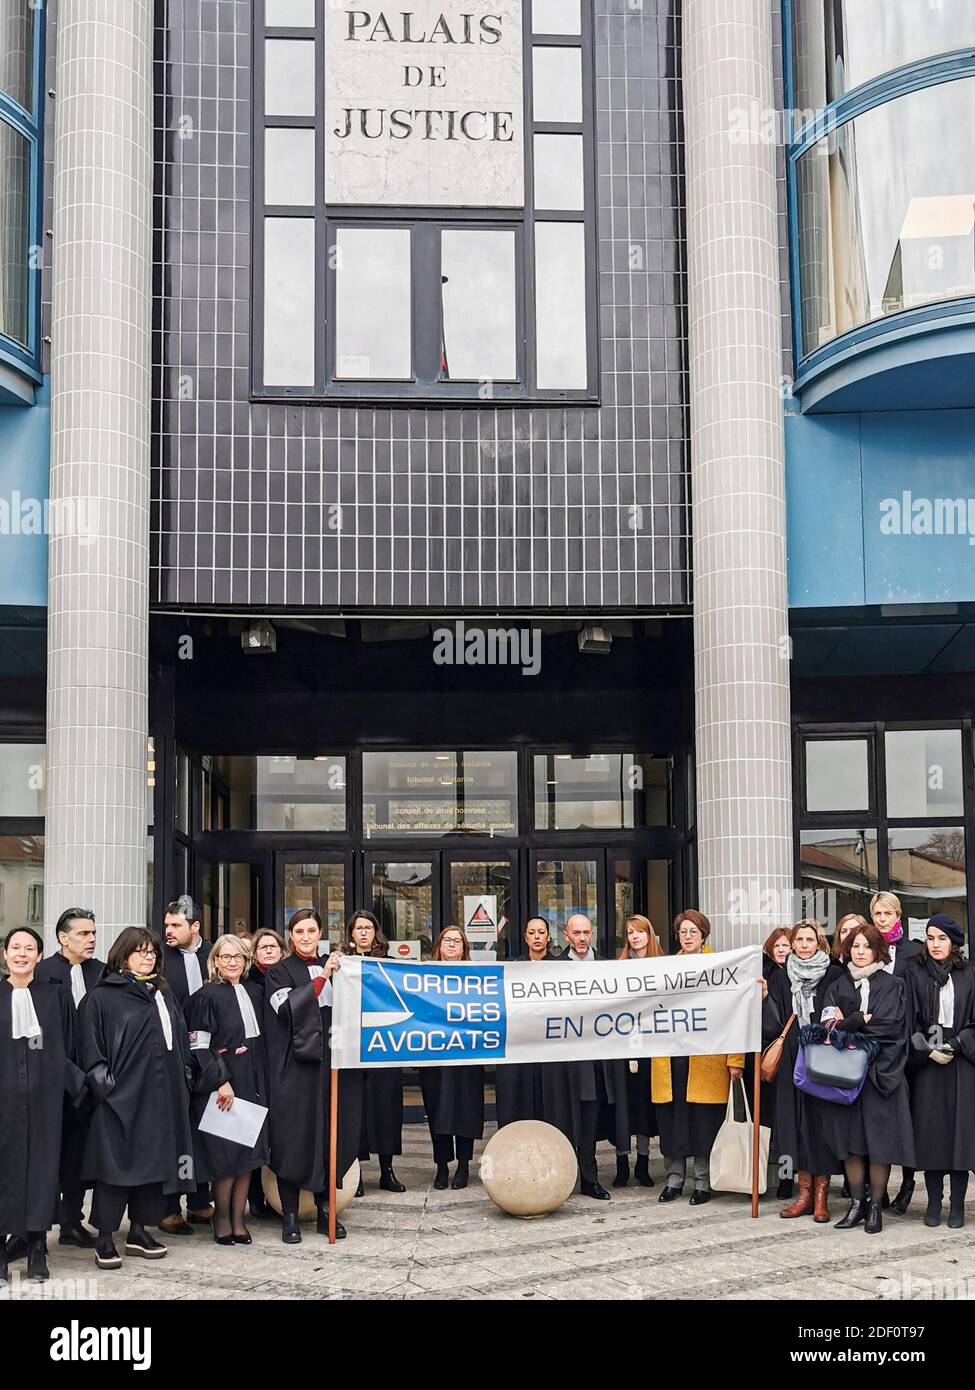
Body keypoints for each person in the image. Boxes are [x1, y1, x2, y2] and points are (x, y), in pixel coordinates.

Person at [78, 927, 196, 1270]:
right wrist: (107, 1088)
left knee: (153, 1166)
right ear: (123, 954)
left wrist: (183, 1078)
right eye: (141, 951)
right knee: (115, 1169)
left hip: (161, 1096)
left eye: (153, 953)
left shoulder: (162, 992)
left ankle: (140, 1231)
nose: (148, 957)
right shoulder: (103, 996)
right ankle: (104, 1237)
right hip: (120, 1098)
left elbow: (178, 1040)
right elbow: (91, 1047)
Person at [265, 908, 362, 1243]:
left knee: (330, 1134)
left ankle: (325, 1210)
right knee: (293, 1137)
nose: (306, 937)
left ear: (321, 932)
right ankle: (290, 1215)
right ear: (291, 936)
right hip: (295, 1069)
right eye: (299, 932)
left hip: (331, 1066)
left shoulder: (338, 968)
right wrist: (322, 976)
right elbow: (287, 1008)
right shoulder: (279, 971)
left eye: (311, 931)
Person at [0, 927, 84, 1284]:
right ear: (4, 954)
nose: (21, 954)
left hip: (46, 1102)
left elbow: (68, 1046)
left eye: (29, 948)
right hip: (3, 1103)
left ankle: (37, 1246)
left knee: (42, 1171)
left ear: (39, 955)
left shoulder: (55, 996)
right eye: (15, 948)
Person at [821, 923, 916, 1235]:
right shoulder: (838, 985)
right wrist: (859, 1019)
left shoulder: (893, 984)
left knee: (880, 1142)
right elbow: (829, 1029)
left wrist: (852, 1029)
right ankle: (856, 1204)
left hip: (881, 1076)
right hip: (846, 1078)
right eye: (856, 946)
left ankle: (876, 1206)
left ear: (878, 950)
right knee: (852, 1144)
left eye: (867, 947)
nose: (860, 952)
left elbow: (892, 1029)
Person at [654, 910, 744, 1207]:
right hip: (671, 1057)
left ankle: (702, 1182)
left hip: (706, 1060)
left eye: (693, 931)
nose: (688, 937)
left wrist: (736, 1059)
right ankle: (674, 1180)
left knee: (703, 1123)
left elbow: (735, 1013)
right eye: (683, 932)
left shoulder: (721, 967)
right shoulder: (665, 968)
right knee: (672, 1120)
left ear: (704, 935)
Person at [187, 935, 270, 1245]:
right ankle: (221, 1220)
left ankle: (238, 1220)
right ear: (215, 962)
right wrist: (221, 1081)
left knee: (247, 1157)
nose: (232, 962)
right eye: (226, 957)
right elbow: (199, 1046)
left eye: (238, 957)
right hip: (222, 1085)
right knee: (225, 1158)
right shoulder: (205, 996)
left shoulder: (255, 991)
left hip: (253, 1082)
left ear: (246, 962)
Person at [32, 907, 105, 1251]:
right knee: (46, 1154)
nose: (91, 939)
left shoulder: (102, 972)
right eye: (83, 934)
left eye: (92, 933)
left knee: (78, 1153)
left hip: (91, 1080)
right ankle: (29, 1231)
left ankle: (72, 1222)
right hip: (49, 1078)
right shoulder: (41, 973)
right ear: (63, 937)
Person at [764, 921, 844, 1219]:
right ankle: (804, 1193)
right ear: (793, 943)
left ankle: (822, 1197)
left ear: (819, 943)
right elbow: (773, 1023)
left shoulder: (833, 973)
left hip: (822, 1052)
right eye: (799, 939)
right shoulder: (781, 975)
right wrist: (761, 999)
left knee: (818, 1123)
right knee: (794, 1123)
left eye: (810, 939)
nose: (804, 944)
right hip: (792, 1053)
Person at [905, 913, 975, 1229]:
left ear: (953, 943)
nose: (935, 944)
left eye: (942, 939)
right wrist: (926, 1050)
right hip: (928, 1062)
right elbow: (908, 1022)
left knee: (960, 1135)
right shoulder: (915, 973)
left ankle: (958, 1204)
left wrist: (959, 1044)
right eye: (931, 938)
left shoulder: (969, 974)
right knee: (932, 1133)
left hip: (961, 1061)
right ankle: (933, 1202)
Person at [557, 914, 631, 1200]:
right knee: (564, 1119)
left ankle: (589, 1179)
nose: (582, 938)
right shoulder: (551, 969)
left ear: (593, 933)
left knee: (589, 1117)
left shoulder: (608, 967)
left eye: (586, 932)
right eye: (576, 932)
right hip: (565, 1060)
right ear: (566, 936)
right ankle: (563, 1178)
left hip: (597, 1060)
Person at [342, 909, 406, 1195]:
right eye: (359, 928)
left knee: (386, 1109)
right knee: (357, 1110)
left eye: (368, 927)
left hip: (385, 1047)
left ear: (376, 932)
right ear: (351, 933)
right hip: (354, 1048)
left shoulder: (389, 964)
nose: (364, 932)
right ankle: (354, 1172)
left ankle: (387, 1170)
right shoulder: (342, 964)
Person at [160, 895, 213, 1234]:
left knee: (204, 1126)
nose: (168, 930)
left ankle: (199, 1200)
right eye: (166, 925)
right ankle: (168, 1207)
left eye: (176, 925)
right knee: (174, 1128)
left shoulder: (216, 955)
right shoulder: (158, 959)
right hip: (173, 1053)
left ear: (194, 927)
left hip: (209, 1053)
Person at [868, 892, 922, 1213]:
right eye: (877, 913)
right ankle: (879, 1188)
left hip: (908, 1047)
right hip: (877, 1049)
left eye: (888, 912)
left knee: (908, 1117)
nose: (883, 918)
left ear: (898, 915)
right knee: (881, 1119)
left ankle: (908, 1182)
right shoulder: (866, 948)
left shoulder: (914, 952)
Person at [422, 926, 485, 1190]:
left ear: (464, 949)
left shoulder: (476, 977)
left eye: (457, 941)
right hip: (434, 1055)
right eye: (447, 940)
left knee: (466, 1109)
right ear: (439, 945)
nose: (451, 945)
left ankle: (463, 1164)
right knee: (437, 1109)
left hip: (467, 1054)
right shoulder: (425, 976)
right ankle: (441, 1166)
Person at [614, 915, 661, 1188]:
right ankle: (622, 1163)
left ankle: (643, 1164)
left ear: (649, 934)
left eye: (639, 932)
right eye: (630, 932)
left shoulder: (665, 965)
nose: (634, 937)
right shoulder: (618, 966)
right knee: (624, 1106)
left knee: (644, 1106)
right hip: (623, 1046)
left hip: (652, 1046)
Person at [244, 929, 286, 1219]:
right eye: (263, 947)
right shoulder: (248, 985)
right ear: (255, 955)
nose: (269, 951)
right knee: (254, 1130)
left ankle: (278, 1197)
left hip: (283, 1064)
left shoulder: (289, 979)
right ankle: (256, 1197)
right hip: (255, 1066)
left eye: (273, 946)